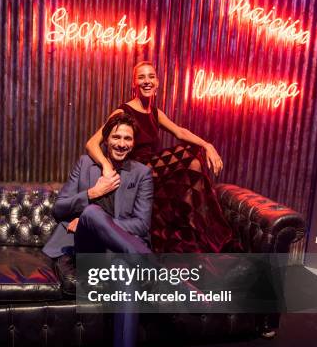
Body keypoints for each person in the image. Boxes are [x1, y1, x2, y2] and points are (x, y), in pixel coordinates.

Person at [43, 113, 153, 347]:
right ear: (106, 140)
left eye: (128, 139)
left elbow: (141, 224)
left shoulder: (142, 173)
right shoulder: (86, 165)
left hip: (119, 255)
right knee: (90, 211)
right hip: (88, 252)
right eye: (116, 138)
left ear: (133, 144)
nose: (122, 144)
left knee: (126, 274)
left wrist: (101, 224)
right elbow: (60, 208)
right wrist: (91, 196)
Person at [86, 61, 234, 253]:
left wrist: (207, 145)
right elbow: (92, 143)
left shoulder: (155, 113)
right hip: (131, 170)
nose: (147, 81)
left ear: (157, 82)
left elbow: (180, 132)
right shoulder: (124, 111)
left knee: (192, 166)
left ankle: (197, 231)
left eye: (151, 76)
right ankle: (205, 230)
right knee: (189, 156)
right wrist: (106, 166)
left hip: (150, 170)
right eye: (141, 77)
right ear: (134, 84)